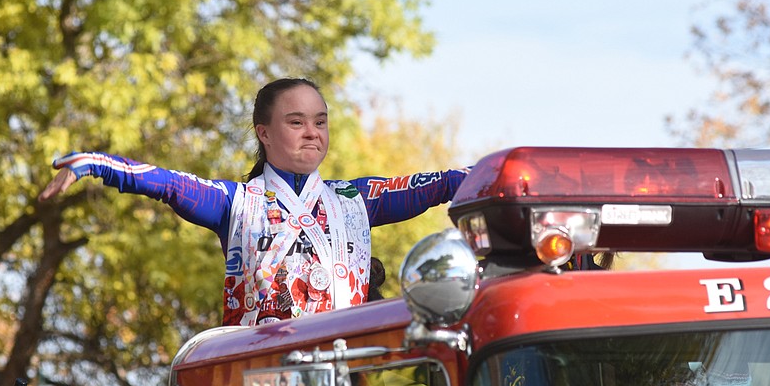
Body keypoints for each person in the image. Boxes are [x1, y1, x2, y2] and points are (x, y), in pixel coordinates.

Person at [39, 77, 467, 326]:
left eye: (320, 122)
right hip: (259, 376)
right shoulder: (237, 203)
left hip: (349, 374)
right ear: (264, 132)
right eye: (296, 122)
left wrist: (502, 178)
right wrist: (94, 163)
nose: (312, 132)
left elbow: (440, 184)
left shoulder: (354, 199)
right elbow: (165, 184)